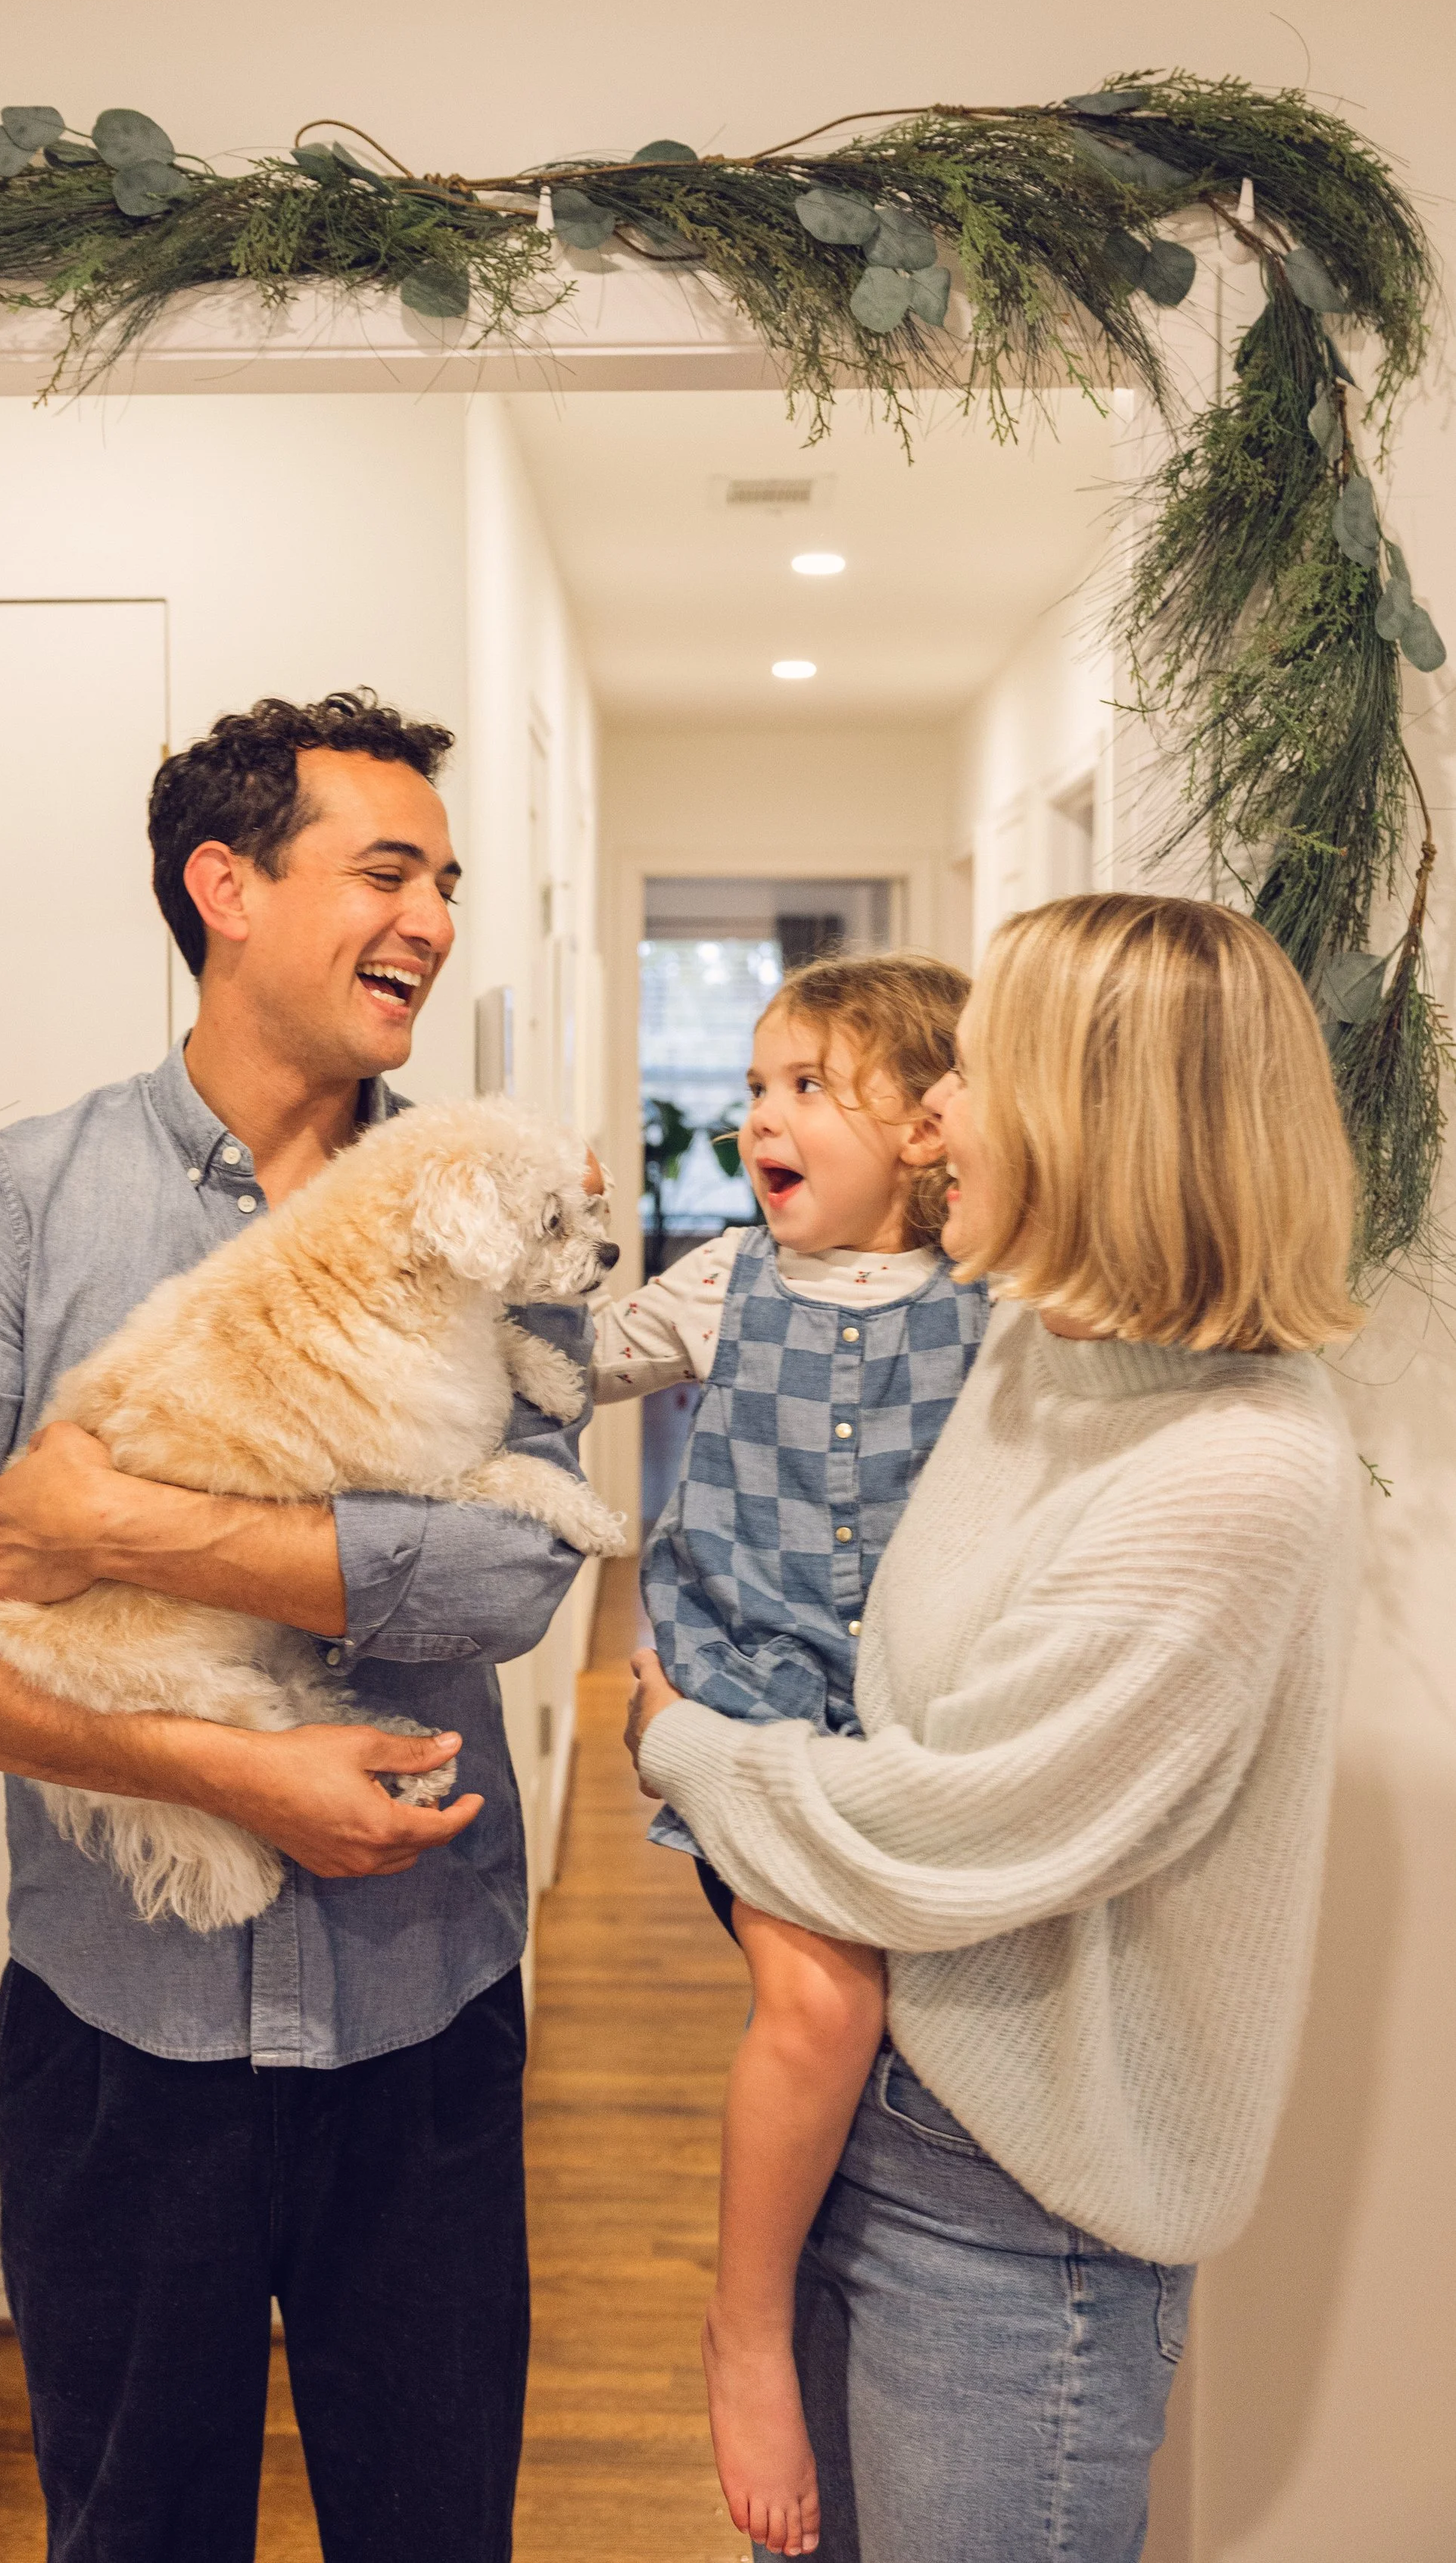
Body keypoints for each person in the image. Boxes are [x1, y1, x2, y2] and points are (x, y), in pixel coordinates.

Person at [0, 688, 604, 2563]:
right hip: (117, 2042)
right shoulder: (20, 1205)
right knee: (133, 2532)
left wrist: (128, 1522)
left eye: (446, 881)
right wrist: (224, 1769)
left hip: (430, 2023)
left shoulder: (489, 1194)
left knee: (435, 2532)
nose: (434, 920)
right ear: (221, 885)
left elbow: (512, 1575)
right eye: (385, 871)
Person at [626, 892, 1366, 2563]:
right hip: (875, 2117)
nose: (934, 1114)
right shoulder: (1034, 1350)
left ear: (1098, 1120)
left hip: (1011, 2216)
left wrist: (677, 1741)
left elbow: (934, 1828)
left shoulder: (1231, 1471)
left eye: (977, 1073)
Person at [594, 951, 985, 2559]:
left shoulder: (995, 1300)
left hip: (902, 1712)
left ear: (925, 1130)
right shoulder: (717, 1284)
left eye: (807, 1087)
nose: (759, 1116)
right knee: (823, 2001)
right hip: (745, 1702)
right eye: (754, 1086)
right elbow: (555, 1373)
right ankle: (742, 2328)